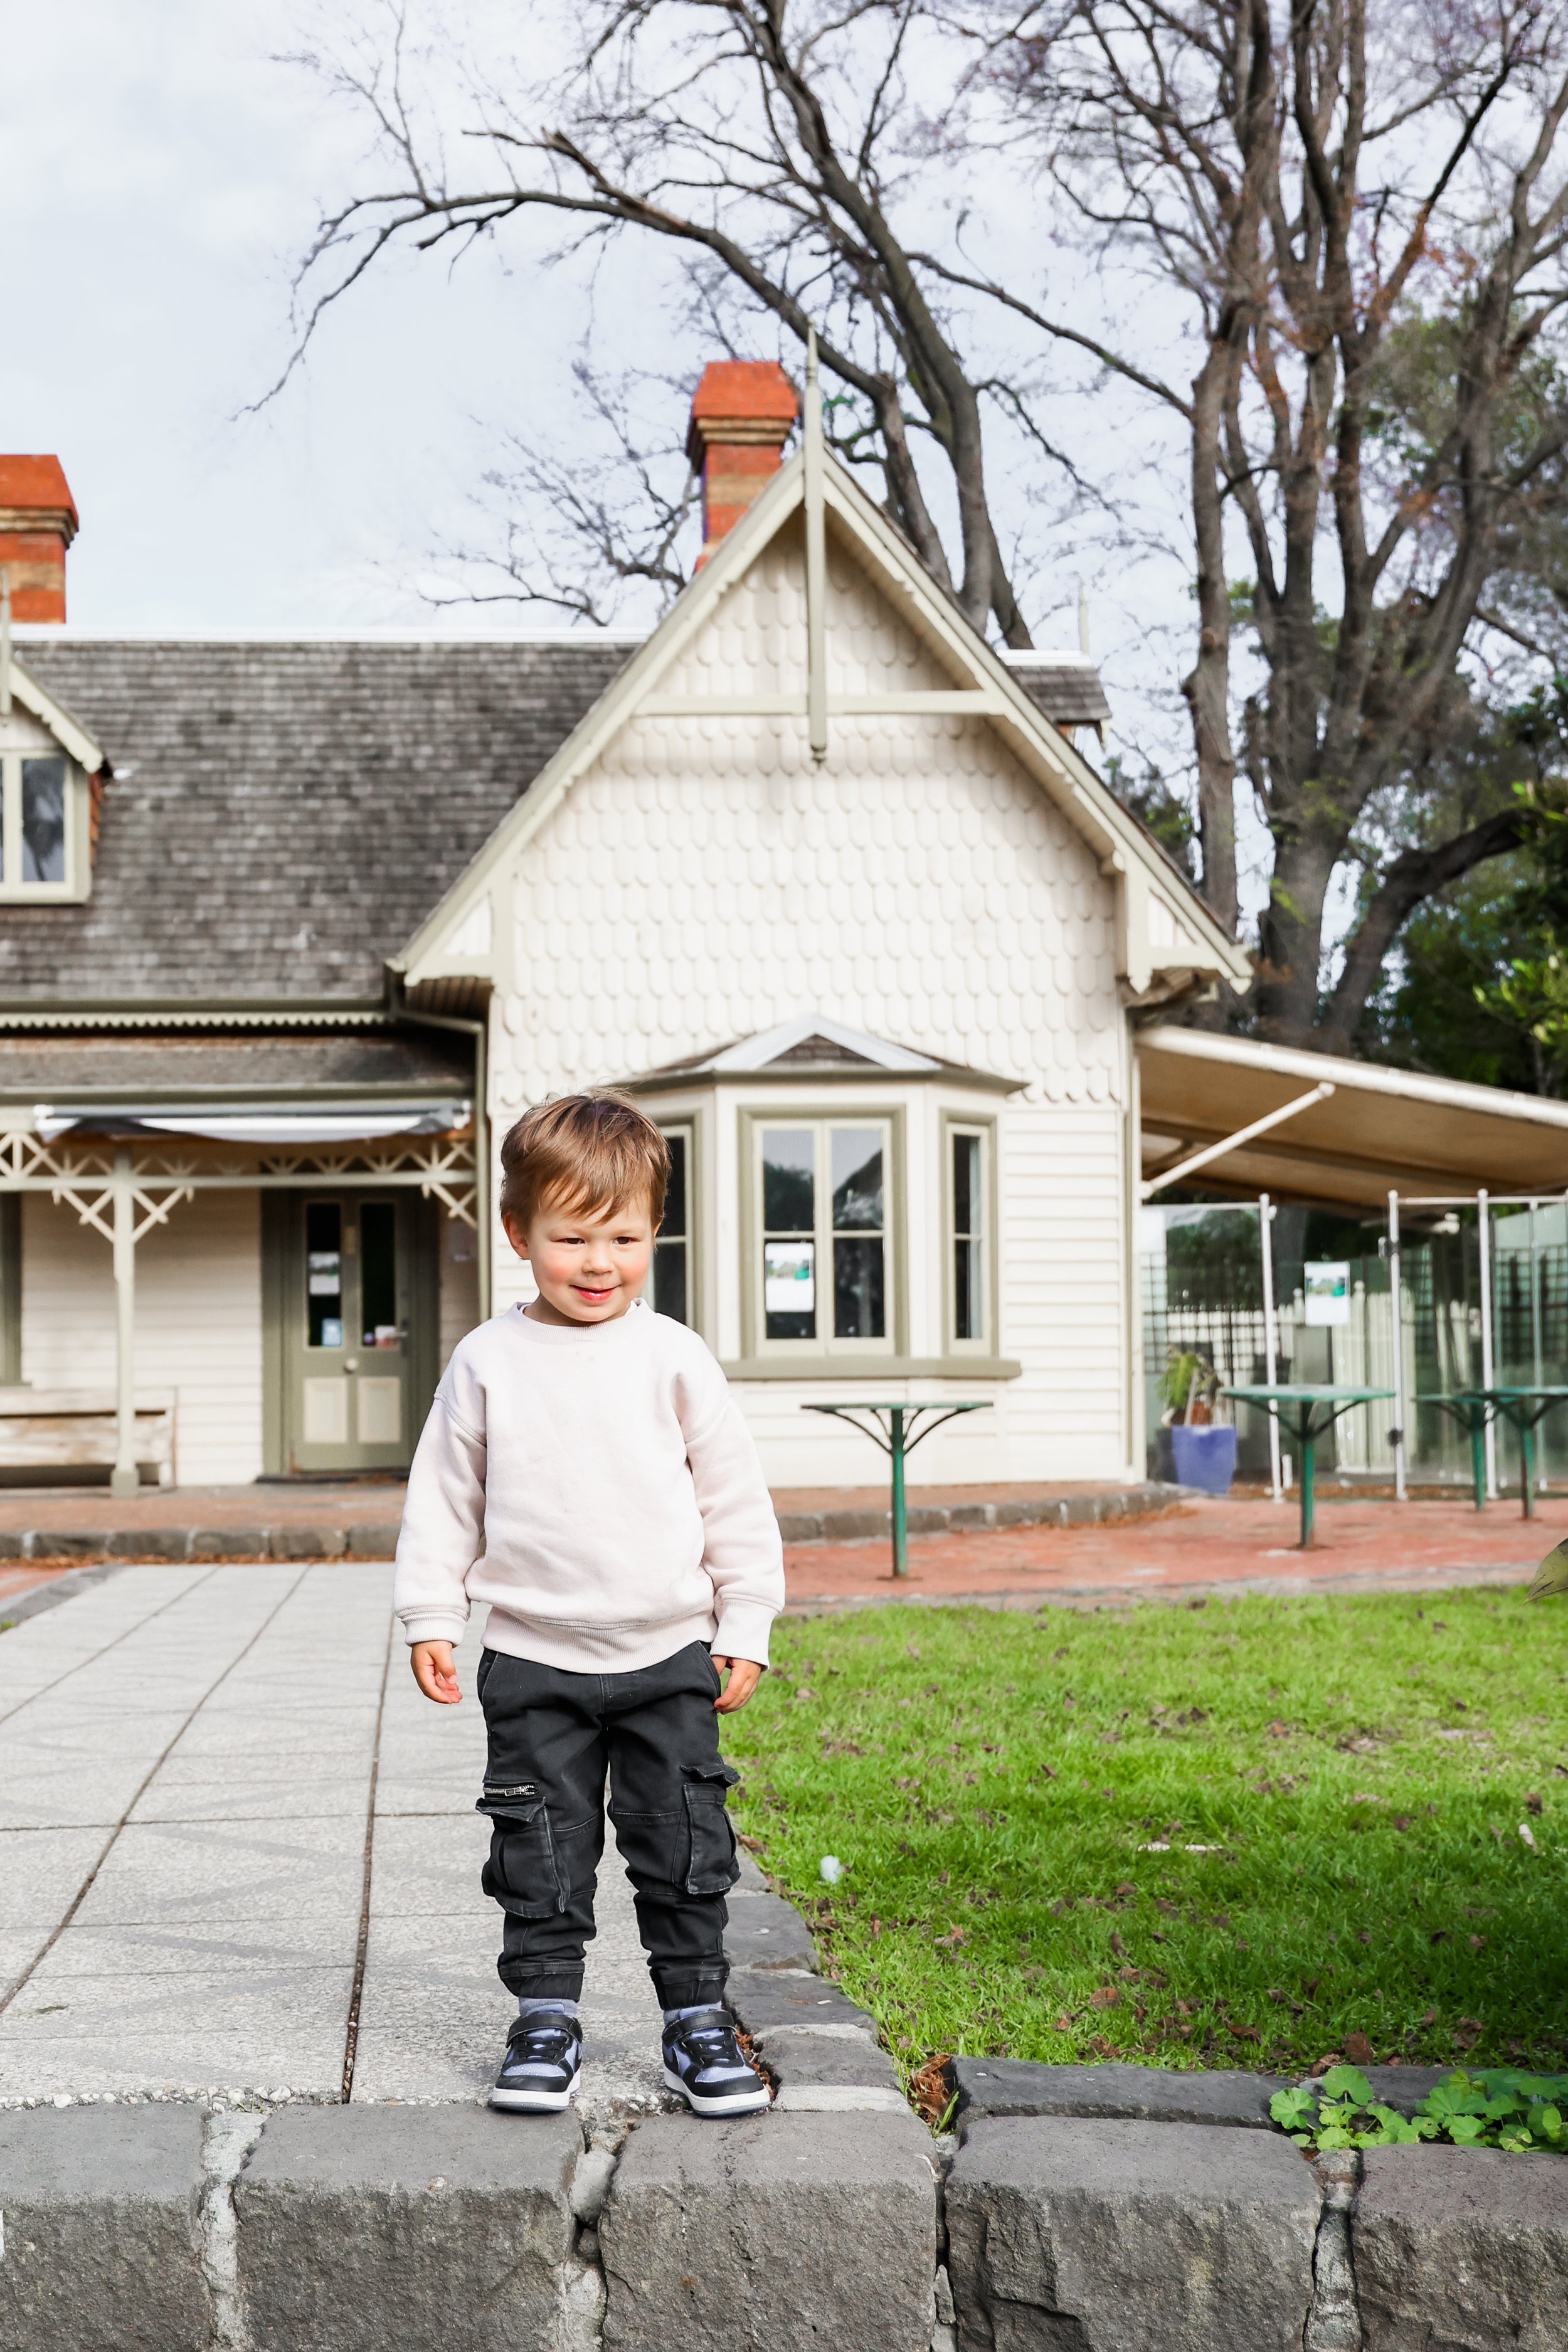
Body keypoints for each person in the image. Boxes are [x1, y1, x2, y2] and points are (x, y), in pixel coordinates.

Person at [393, 1093, 784, 2118]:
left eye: (624, 1236)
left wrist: (745, 1622)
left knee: (685, 1843)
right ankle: (546, 2014)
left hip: (669, 1659)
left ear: (655, 1231)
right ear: (520, 1233)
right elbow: (445, 1496)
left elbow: (734, 1498)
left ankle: (695, 2018)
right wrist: (432, 1615)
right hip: (534, 1661)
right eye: (572, 1237)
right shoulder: (487, 1360)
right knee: (542, 1846)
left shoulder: (674, 1356)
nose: (599, 1260)